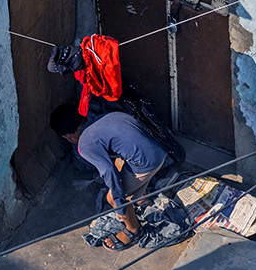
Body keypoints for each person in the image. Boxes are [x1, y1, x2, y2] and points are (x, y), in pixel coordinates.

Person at [50, 103, 170, 250]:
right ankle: (143, 198)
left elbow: (108, 171)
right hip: (161, 149)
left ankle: (134, 231)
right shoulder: (106, 117)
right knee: (121, 163)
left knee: (112, 198)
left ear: (67, 136)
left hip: (149, 162)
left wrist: (120, 205)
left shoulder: (85, 145)